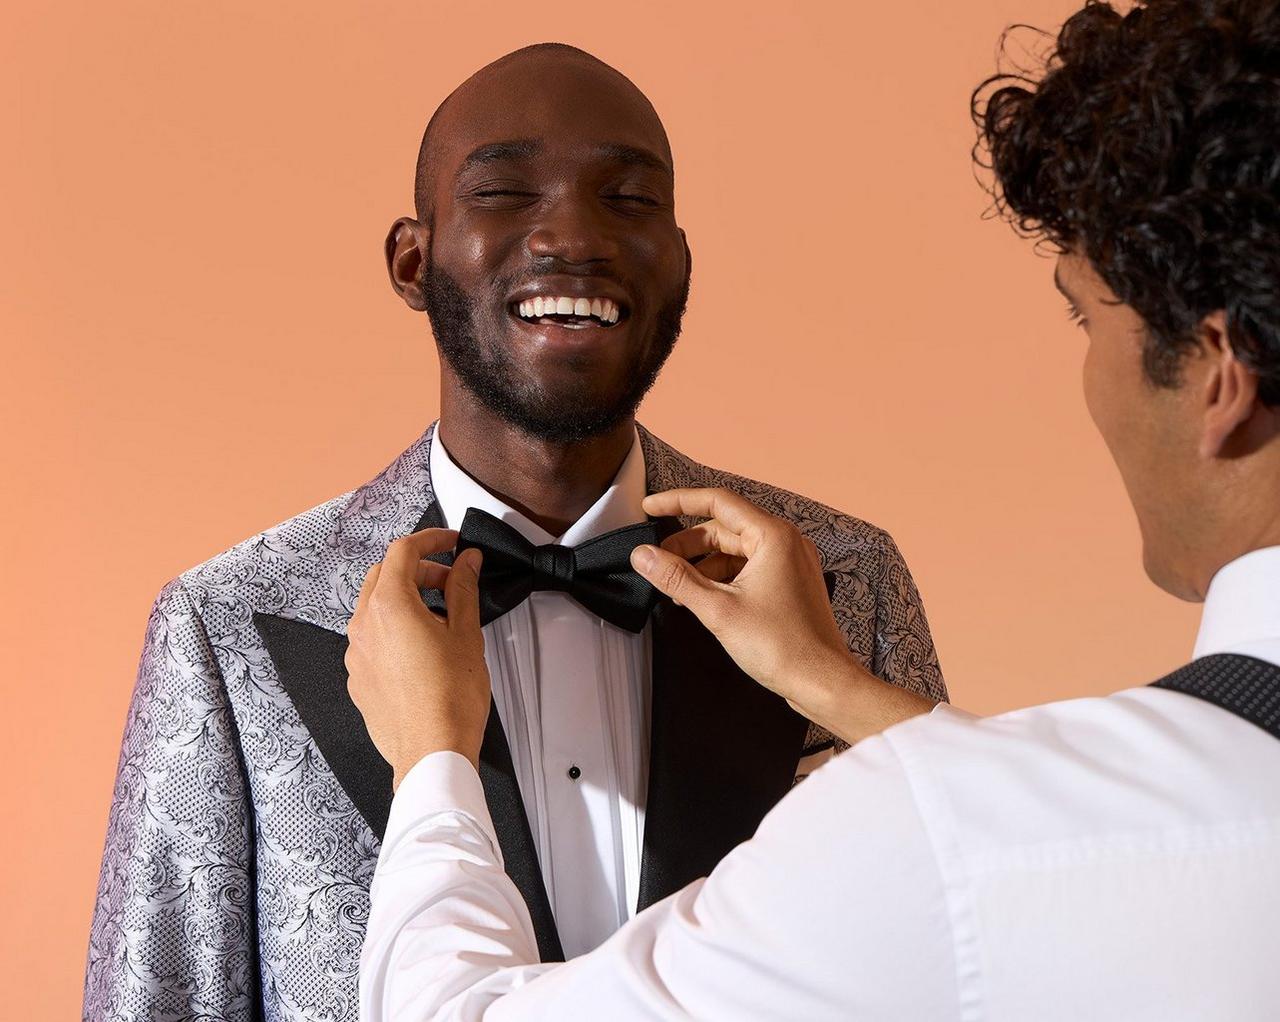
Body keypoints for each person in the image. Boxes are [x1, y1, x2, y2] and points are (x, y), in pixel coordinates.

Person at [351, 2, 1280, 1018]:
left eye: (1082, 314)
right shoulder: (227, 620)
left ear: (1217, 378)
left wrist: (432, 758)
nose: (572, 233)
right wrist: (832, 682)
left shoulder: (890, 681)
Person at [81, 44, 943, 1022]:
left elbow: (966, 954)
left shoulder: (844, 577)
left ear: (682, 263)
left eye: (627, 197)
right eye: (503, 190)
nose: (573, 234)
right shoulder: (229, 622)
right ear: (413, 259)